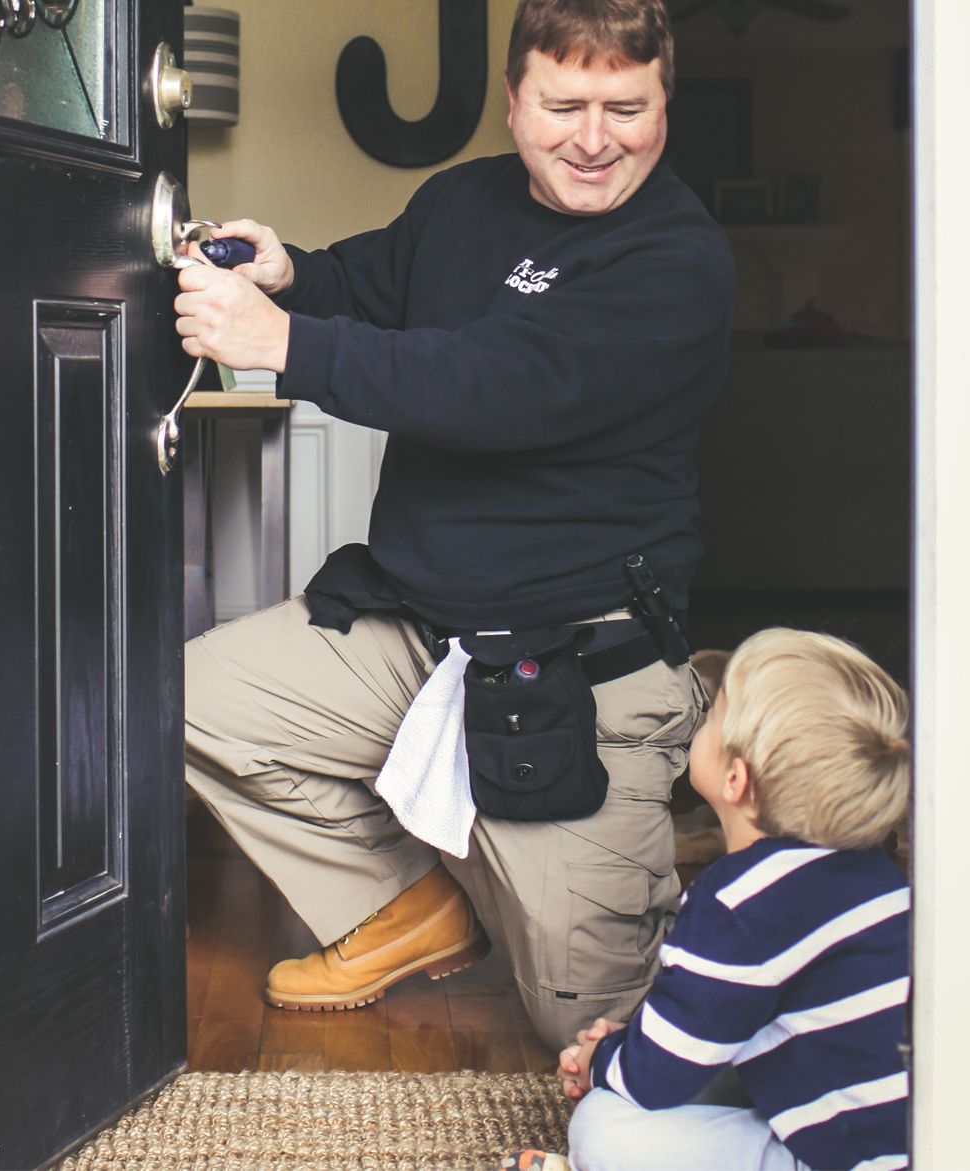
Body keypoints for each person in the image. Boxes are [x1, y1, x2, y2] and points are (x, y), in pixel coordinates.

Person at [174, 0, 735, 1052]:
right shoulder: (461, 200)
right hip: (418, 632)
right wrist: (288, 271)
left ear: (664, 103)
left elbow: (494, 386)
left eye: (627, 107)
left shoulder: (677, 262)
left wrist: (283, 343)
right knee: (191, 700)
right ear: (513, 102)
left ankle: (684, 895)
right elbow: (380, 284)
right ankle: (404, 909)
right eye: (563, 104)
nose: (593, 137)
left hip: (576, 670)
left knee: (597, 1035)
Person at [552, 628, 911, 1171]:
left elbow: (654, 1081)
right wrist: (643, 1046)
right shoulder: (879, 877)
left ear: (735, 779)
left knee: (604, 1129)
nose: (702, 722)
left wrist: (600, 1059)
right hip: (910, 1137)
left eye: (713, 715)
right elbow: (713, 1023)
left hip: (849, 1159)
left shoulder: (742, 903)